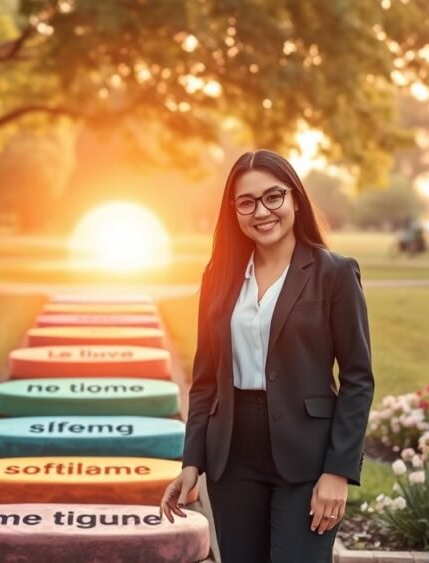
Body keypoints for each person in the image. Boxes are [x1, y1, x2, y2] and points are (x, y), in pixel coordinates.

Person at [159, 149, 374, 562]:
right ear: (234, 211)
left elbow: (358, 378)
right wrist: (192, 462)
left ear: (294, 198)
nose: (261, 211)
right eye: (247, 202)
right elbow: (205, 380)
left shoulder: (335, 273)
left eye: (273, 196)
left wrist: (338, 471)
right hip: (232, 457)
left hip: (308, 457)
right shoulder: (218, 277)